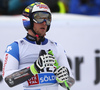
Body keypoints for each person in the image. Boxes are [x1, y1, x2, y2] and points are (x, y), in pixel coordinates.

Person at [2, 2, 75, 90]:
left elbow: (70, 82)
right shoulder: (15, 47)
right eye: (39, 18)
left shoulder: (57, 47)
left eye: (47, 19)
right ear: (28, 20)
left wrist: (63, 79)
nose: (44, 23)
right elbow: (9, 80)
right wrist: (34, 68)